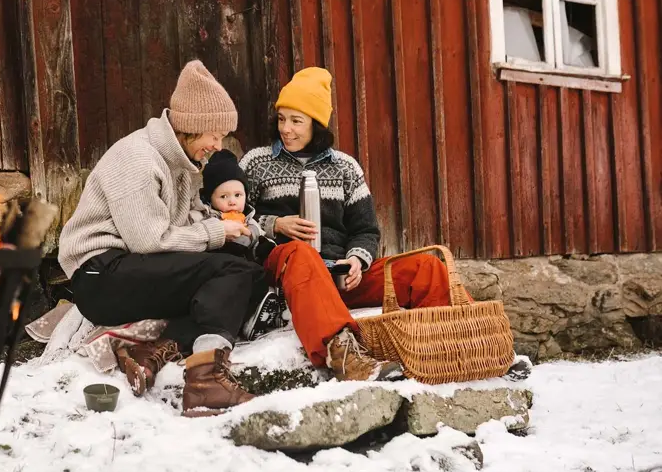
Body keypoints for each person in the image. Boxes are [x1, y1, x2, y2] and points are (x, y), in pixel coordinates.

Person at [58, 60, 263, 415]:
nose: (218, 144)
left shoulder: (180, 165)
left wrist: (231, 226)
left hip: (131, 269)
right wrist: (216, 232)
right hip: (100, 276)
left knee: (244, 268)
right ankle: (206, 381)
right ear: (192, 127)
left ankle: (151, 351)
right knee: (232, 273)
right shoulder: (136, 158)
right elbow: (149, 241)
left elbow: (184, 222)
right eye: (215, 135)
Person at [239, 67, 466, 382]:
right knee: (301, 254)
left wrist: (357, 260)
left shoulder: (345, 167)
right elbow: (235, 220)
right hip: (286, 275)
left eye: (296, 121)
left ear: (316, 124)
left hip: (337, 275)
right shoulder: (255, 163)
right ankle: (346, 358)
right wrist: (275, 224)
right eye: (281, 119)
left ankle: (468, 343)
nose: (286, 130)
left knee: (424, 268)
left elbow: (366, 229)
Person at [198, 149, 284, 340]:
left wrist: (263, 246)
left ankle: (264, 312)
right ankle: (244, 321)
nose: (232, 202)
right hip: (220, 271)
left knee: (259, 278)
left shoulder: (249, 220)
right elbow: (199, 239)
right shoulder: (206, 219)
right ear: (209, 199)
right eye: (224, 197)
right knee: (232, 293)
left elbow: (258, 238)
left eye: (238, 195)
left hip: (248, 270)